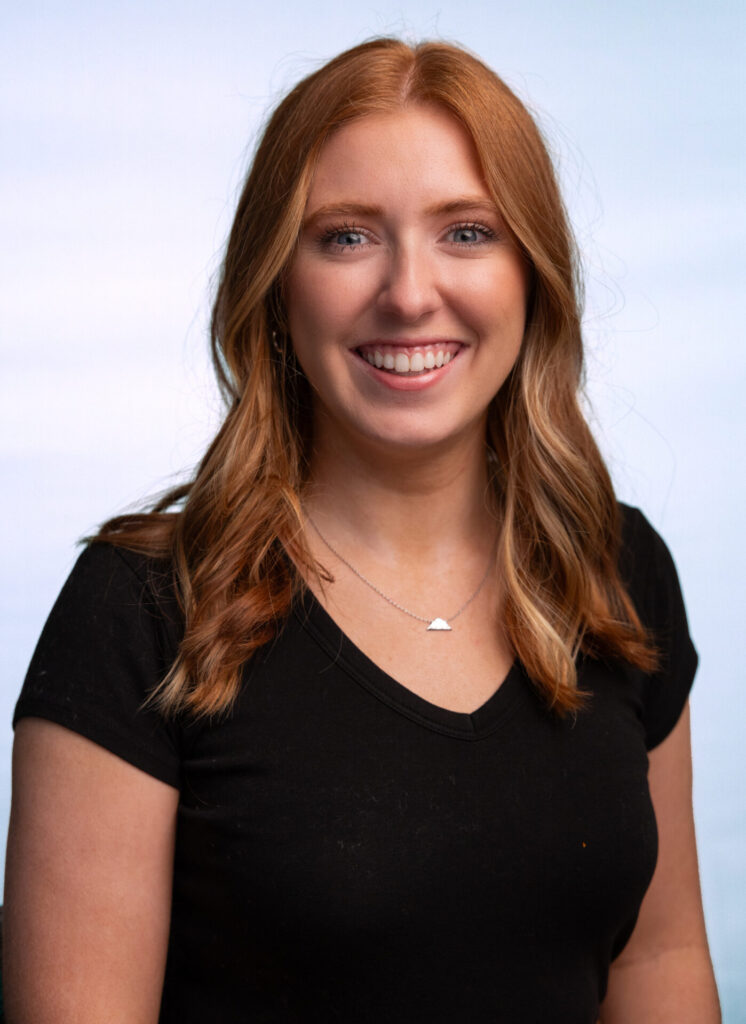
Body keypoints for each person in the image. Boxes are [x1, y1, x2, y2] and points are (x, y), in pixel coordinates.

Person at [4, 37, 720, 1023]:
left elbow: (659, 958)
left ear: (531, 274)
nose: (409, 292)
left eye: (466, 232)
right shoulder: (139, 611)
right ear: (275, 285)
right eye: (345, 237)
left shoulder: (613, 568)